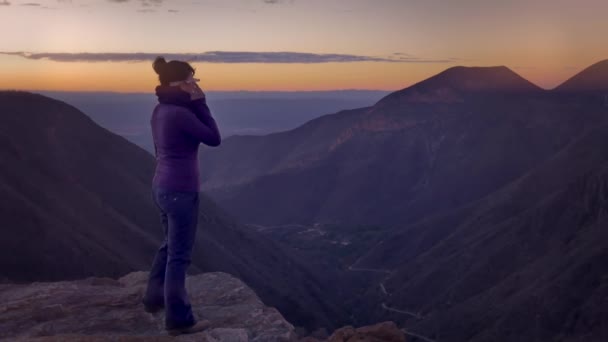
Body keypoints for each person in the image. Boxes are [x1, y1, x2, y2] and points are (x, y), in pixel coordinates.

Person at [141, 56, 221, 336]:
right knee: (179, 255)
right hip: (180, 190)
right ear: (178, 84)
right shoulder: (181, 113)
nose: (194, 85)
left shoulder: (160, 111)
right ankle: (179, 319)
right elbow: (213, 137)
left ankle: (154, 298)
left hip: (161, 186)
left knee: (169, 245)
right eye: (190, 81)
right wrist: (202, 102)